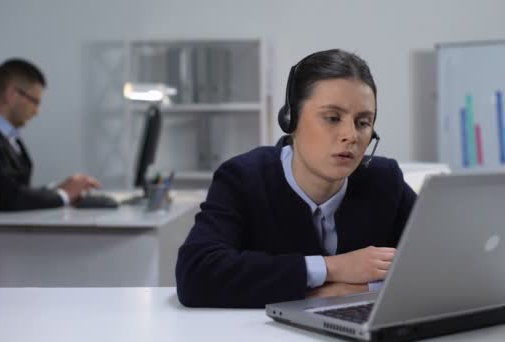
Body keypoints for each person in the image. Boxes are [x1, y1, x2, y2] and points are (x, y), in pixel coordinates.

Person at [175, 49, 416, 308]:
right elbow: (196, 274)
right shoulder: (243, 178)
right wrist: (332, 268)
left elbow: (441, 263)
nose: (351, 135)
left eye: (363, 122)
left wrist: (350, 291)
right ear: (291, 120)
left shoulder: (385, 180)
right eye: (332, 118)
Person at [0, 59, 101, 286]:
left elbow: (10, 186)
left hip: (2, 255)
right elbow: (8, 195)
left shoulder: (7, 137)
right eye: (34, 101)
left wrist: (58, 189)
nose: (37, 111)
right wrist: (63, 195)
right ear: (12, 94)